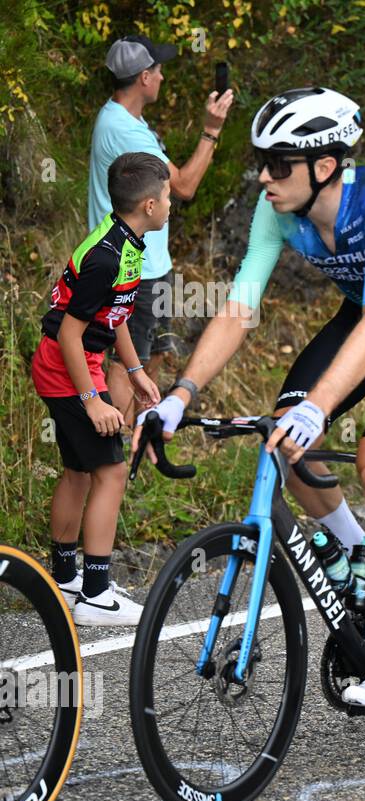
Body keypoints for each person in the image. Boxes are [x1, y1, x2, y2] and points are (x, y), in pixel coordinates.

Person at [134, 87, 365, 709]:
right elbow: (239, 307)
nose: (264, 176)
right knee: (284, 433)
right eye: (262, 161)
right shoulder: (277, 209)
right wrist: (181, 394)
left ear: (324, 166)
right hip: (364, 312)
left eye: (278, 164)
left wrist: (322, 405)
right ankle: (358, 548)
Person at [33, 153, 166, 625]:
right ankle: (94, 595)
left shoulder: (125, 239)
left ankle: (66, 578)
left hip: (72, 364)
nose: (171, 204)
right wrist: (92, 400)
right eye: (167, 196)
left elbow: (116, 316)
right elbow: (70, 333)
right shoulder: (107, 257)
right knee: (110, 471)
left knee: (79, 471)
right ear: (149, 205)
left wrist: (134, 372)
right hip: (66, 368)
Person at [91, 34, 233, 427]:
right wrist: (211, 130)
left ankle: (142, 437)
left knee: (151, 354)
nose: (163, 77)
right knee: (125, 362)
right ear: (143, 78)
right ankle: (111, 451)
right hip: (131, 267)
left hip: (149, 263)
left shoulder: (128, 120)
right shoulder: (126, 131)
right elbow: (184, 185)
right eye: (158, 70)